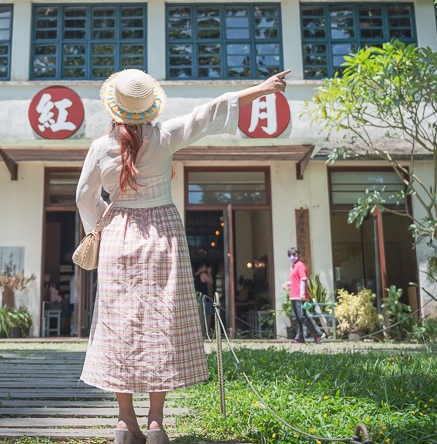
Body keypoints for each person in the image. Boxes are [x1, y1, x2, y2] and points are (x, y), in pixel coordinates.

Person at [76, 67, 289, 444]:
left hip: (119, 235)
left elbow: (84, 197)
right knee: (162, 322)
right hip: (163, 234)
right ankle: (156, 422)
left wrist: (101, 225)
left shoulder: (99, 148)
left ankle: (126, 423)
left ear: (113, 109)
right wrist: (264, 87)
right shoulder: (164, 136)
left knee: (117, 324)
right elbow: (210, 111)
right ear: (149, 108)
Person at [284, 247, 325, 344]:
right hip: (293, 295)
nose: (291, 257)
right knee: (295, 317)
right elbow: (295, 281)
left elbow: (303, 279)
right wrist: (288, 284)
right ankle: (299, 336)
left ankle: (318, 333)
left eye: (293, 254)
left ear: (298, 255)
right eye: (289, 255)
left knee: (303, 316)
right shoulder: (293, 267)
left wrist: (302, 293)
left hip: (299, 295)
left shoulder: (300, 265)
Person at [193, 264, 215, 336]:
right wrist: (209, 273)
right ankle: (207, 331)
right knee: (208, 314)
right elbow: (211, 281)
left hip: (197, 298)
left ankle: (200, 331)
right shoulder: (203, 274)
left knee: (199, 315)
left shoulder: (194, 275)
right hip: (205, 298)